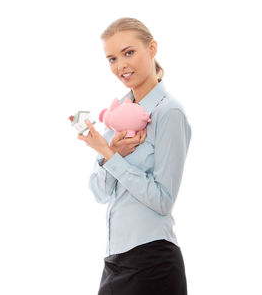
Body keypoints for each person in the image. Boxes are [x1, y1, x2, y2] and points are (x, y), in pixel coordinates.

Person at [77, 17, 192, 295]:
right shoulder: (119, 113)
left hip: (153, 261)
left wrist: (110, 155)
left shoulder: (169, 113)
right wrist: (112, 154)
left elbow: (163, 201)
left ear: (152, 48)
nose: (121, 66)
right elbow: (99, 192)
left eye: (129, 53)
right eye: (112, 58)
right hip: (115, 259)